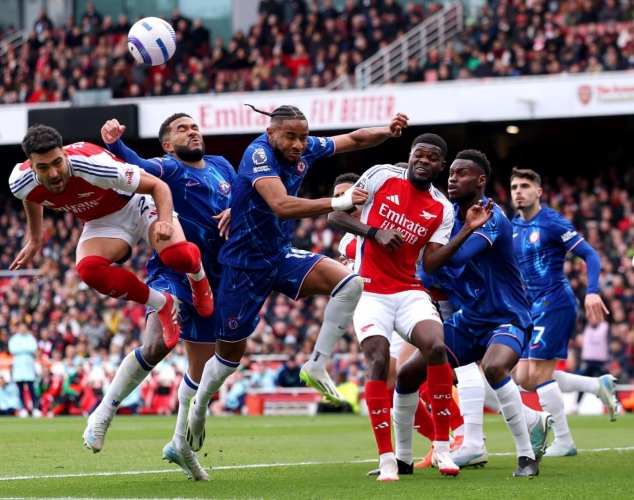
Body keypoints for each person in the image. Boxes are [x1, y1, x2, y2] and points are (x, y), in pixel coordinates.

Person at [185, 105, 409, 457]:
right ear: (272, 133)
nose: (299, 144)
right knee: (229, 356)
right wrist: (339, 200)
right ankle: (199, 407)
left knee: (350, 283)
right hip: (243, 266)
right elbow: (281, 205)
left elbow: (352, 138)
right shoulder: (258, 153)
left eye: (304, 137)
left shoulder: (302, 148)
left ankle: (316, 364)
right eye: (291, 137)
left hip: (280, 255)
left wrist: (388, 130)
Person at [82, 114, 235, 482]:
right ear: (168, 145)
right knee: (157, 344)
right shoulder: (169, 167)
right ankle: (103, 411)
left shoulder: (222, 165)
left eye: (194, 126)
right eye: (182, 129)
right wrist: (116, 144)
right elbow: (138, 166)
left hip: (219, 276)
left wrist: (238, 209)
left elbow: (249, 194)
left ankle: (180, 445)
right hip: (174, 272)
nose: (192, 131)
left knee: (200, 372)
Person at [328, 135, 489, 481]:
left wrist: (467, 231)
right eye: (419, 154)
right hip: (369, 290)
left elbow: (430, 264)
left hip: (409, 291)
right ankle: (388, 457)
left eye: (432, 158)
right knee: (378, 360)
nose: (424, 161)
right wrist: (374, 232)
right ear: (411, 155)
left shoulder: (442, 208)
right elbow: (335, 216)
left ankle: (444, 448)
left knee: (436, 346)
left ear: (440, 165)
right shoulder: (381, 175)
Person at [395, 150, 548, 477]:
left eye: (462, 173)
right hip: (468, 321)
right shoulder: (445, 217)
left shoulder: (491, 216)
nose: (453, 178)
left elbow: (458, 258)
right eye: (451, 173)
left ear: (481, 181)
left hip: (507, 317)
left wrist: (428, 253)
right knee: (407, 374)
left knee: (493, 367)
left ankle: (526, 457)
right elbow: (428, 274)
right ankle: (402, 459)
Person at [8, 125, 214, 352]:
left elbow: (158, 186)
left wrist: (164, 221)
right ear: (32, 167)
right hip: (101, 219)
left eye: (58, 163)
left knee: (178, 256)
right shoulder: (20, 181)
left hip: (138, 201)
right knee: (89, 270)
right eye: (43, 168)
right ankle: (162, 304)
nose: (54, 173)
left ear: (65, 155)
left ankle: (198, 276)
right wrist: (36, 239)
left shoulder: (94, 166)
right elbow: (28, 195)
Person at [334, 171, 461, 472]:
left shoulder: (392, 208)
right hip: (372, 302)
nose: (347, 200)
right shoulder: (345, 242)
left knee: (408, 371)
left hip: (404, 300)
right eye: (341, 196)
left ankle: (451, 435)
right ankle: (406, 453)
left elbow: (426, 256)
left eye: (350, 193)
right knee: (394, 380)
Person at [509, 168, 617, 456]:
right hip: (529, 307)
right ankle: (596, 386)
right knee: (523, 377)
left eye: (525, 186)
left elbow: (590, 255)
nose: (518, 191)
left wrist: (592, 292)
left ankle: (565, 441)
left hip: (554, 302)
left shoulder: (552, 222)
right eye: (514, 187)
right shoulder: (513, 226)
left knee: (540, 375)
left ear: (538, 192)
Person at [9, 322, 39, 417]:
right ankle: (23, 408)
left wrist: (21, 349)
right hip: (18, 368)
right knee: (20, 389)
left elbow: (33, 348)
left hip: (28, 367)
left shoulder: (30, 338)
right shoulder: (14, 339)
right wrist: (26, 349)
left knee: (31, 389)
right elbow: (12, 349)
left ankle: (35, 408)